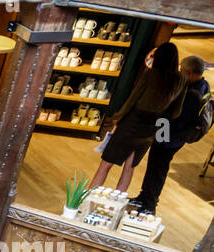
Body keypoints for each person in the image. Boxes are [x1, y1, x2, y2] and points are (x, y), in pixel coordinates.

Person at [89, 41, 185, 193]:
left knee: (106, 163)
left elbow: (132, 100)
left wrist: (116, 119)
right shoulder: (181, 80)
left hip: (133, 122)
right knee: (129, 167)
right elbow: (176, 112)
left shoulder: (151, 74)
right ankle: (115, 204)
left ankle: (87, 198)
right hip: (152, 127)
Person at [133, 55, 210, 214]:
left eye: (182, 70)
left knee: (158, 167)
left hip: (169, 136)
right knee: (155, 165)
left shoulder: (192, 94)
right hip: (173, 135)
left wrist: (160, 133)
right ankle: (145, 196)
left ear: (189, 72)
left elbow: (176, 119)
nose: (180, 72)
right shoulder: (203, 86)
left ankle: (149, 203)